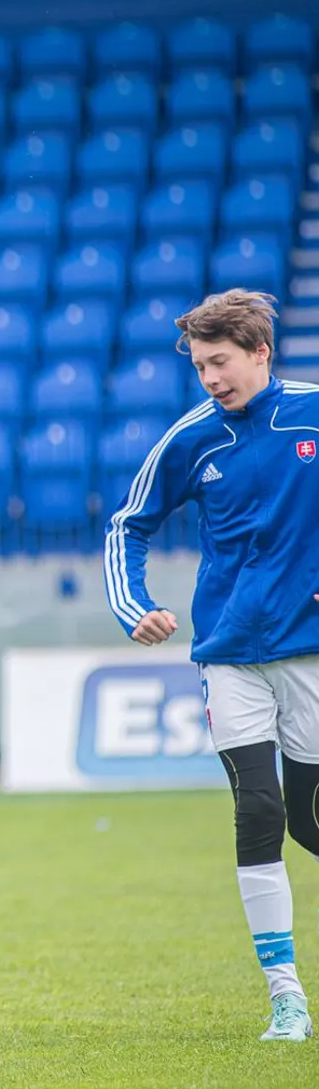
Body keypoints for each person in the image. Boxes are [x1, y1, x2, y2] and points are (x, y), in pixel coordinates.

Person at [103, 289, 319, 1043]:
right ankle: (286, 998)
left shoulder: (312, 414)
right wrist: (134, 607)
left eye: (219, 363)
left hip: (309, 653)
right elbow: (127, 526)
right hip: (228, 656)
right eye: (199, 367)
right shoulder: (191, 438)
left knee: (311, 821)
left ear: (261, 352)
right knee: (258, 811)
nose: (210, 379)